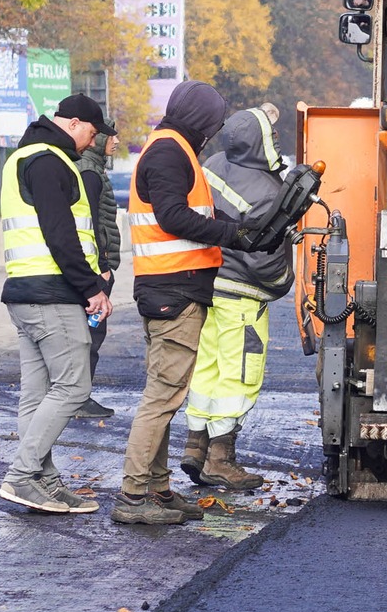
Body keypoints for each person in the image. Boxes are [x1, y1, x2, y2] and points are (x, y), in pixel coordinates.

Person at [114, 80, 273, 526]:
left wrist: (233, 226)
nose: (212, 135)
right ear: (201, 121)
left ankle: (158, 489)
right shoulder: (170, 152)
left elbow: (192, 213)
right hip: (174, 292)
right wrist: (231, 234)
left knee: (166, 397)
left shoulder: (171, 148)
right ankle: (132, 496)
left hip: (169, 290)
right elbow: (173, 217)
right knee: (162, 398)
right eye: (213, 126)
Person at [0, 94, 114, 515]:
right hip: (52, 294)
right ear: (75, 123)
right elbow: (60, 233)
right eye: (93, 133)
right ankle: (22, 475)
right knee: (74, 387)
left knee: (37, 395)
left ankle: (43, 481)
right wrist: (91, 288)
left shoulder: (25, 156)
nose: (93, 142)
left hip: (26, 292)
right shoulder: (49, 161)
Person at [181, 104, 293, 492]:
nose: (277, 139)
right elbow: (266, 258)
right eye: (271, 135)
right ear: (258, 142)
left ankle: (195, 447)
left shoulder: (213, 164)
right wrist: (283, 282)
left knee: (207, 368)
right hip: (242, 297)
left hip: (207, 285)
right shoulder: (267, 191)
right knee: (239, 375)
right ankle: (220, 459)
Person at [73, 125, 122, 419]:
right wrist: (101, 267)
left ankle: (76, 396)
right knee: (91, 333)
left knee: (89, 333)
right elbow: (89, 221)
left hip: (95, 265)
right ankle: (79, 399)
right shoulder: (90, 172)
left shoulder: (92, 168)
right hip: (96, 268)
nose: (116, 141)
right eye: (111, 136)